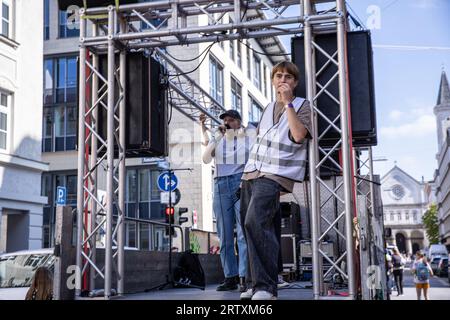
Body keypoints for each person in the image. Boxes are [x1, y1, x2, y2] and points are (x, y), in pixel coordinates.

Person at [239, 61, 312, 300]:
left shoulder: (302, 106)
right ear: (272, 81)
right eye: (279, 76)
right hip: (253, 172)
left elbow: (299, 135)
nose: (283, 80)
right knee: (252, 228)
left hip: (276, 173)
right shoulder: (267, 107)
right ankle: (253, 283)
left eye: (288, 77)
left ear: (295, 82)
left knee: (255, 222)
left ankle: (266, 287)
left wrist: (288, 102)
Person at [201, 110, 256, 292]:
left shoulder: (247, 136)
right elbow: (206, 158)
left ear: (239, 122)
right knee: (224, 233)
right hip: (220, 184)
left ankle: (244, 277)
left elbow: (249, 157)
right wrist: (215, 136)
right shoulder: (219, 138)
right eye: (225, 121)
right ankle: (230, 276)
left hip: (239, 181)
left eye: (231, 120)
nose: (227, 123)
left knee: (242, 232)